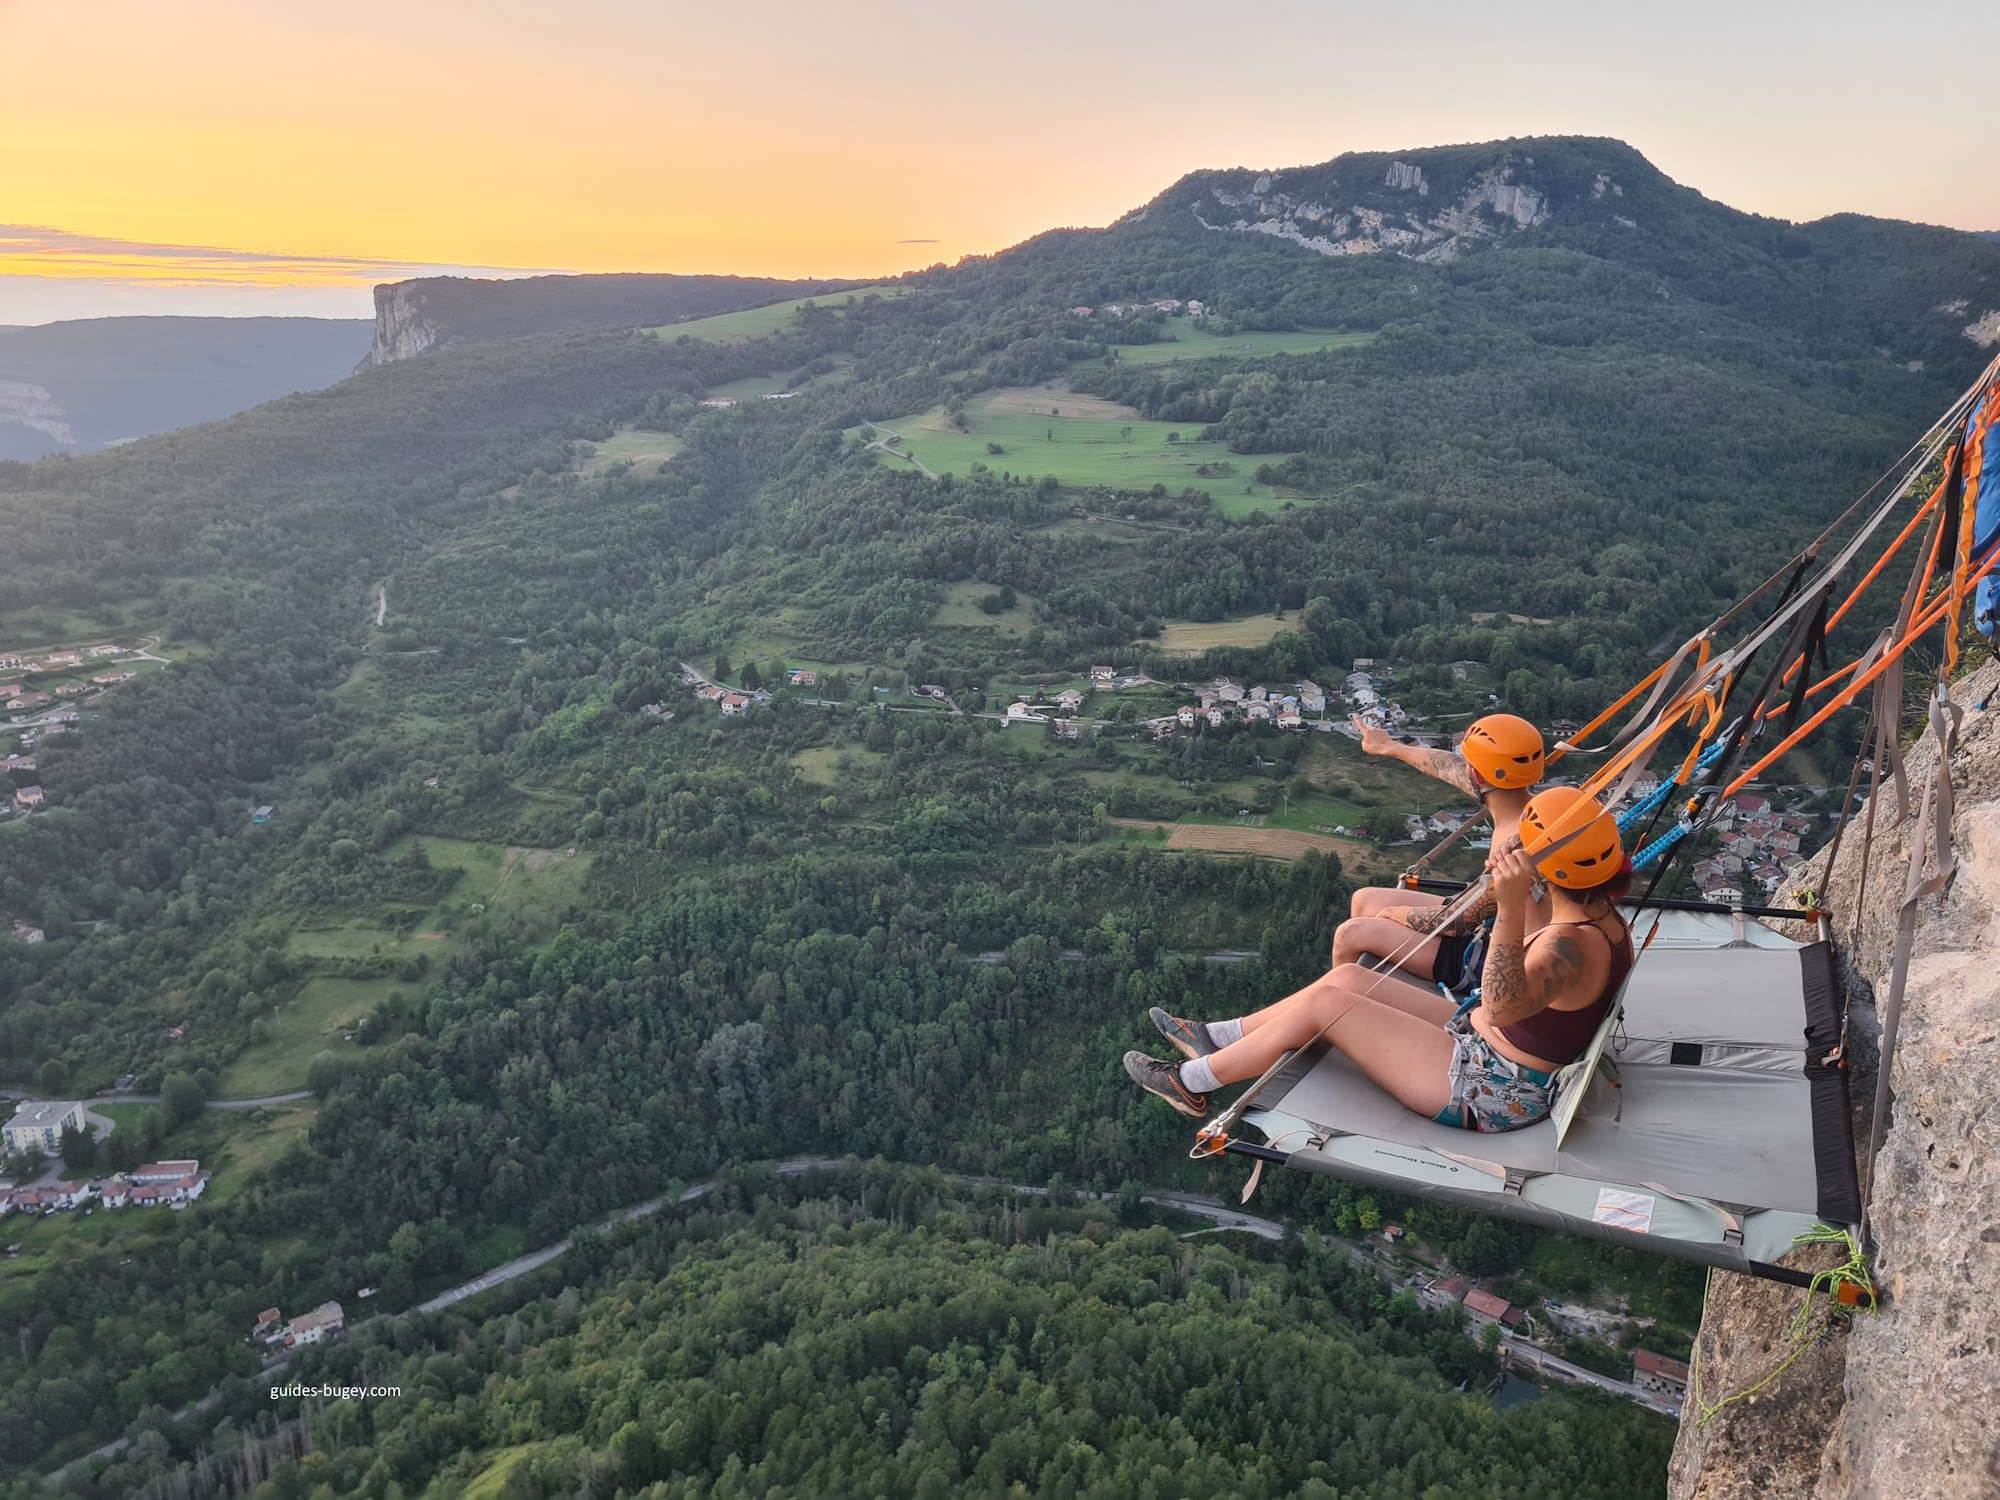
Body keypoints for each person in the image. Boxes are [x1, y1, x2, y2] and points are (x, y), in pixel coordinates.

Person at [1127, 787, 1633, 1133]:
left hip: (1492, 1088)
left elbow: (1502, 1007)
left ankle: (1190, 1083)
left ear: (1546, 870)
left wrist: (1511, 902)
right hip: (1485, 1041)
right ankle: (1217, 1037)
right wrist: (1517, 889)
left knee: (1328, 1006)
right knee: (1349, 978)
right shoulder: (1600, 919)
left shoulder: (1567, 948)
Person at [1330, 713, 1548, 987]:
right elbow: (1445, 765)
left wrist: (1391, 914)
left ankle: (1343, 1000)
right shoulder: (1534, 807)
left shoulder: (1518, 845)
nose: (1463, 768)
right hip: (1490, 924)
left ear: (1477, 775)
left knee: (1349, 935)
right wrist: (1389, 747)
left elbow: (1457, 921)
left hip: (1498, 960)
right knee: (1364, 900)